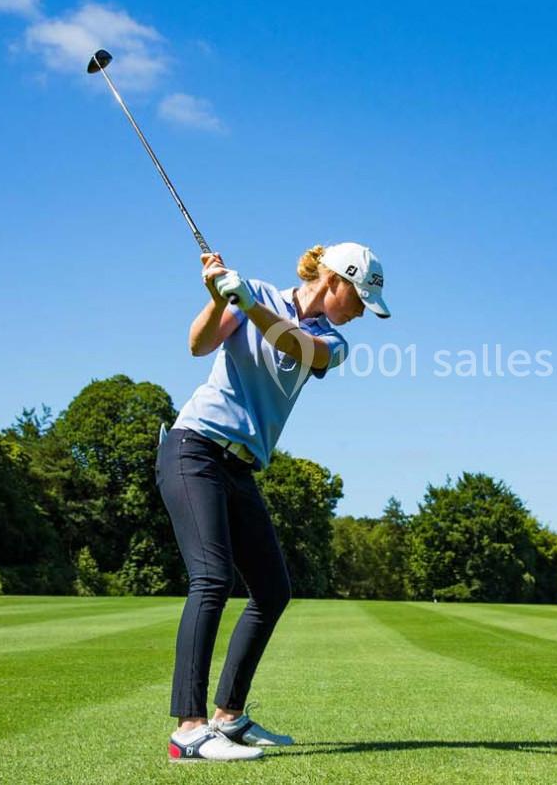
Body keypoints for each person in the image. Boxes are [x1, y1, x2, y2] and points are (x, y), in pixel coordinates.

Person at [157, 242, 390, 762]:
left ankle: (228, 718)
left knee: (272, 589)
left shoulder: (330, 339)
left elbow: (300, 349)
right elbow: (197, 346)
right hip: (194, 448)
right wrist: (220, 298)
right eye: (358, 299)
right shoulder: (252, 294)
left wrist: (246, 302)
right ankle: (188, 730)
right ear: (336, 281)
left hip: (241, 468)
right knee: (212, 578)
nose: (359, 313)